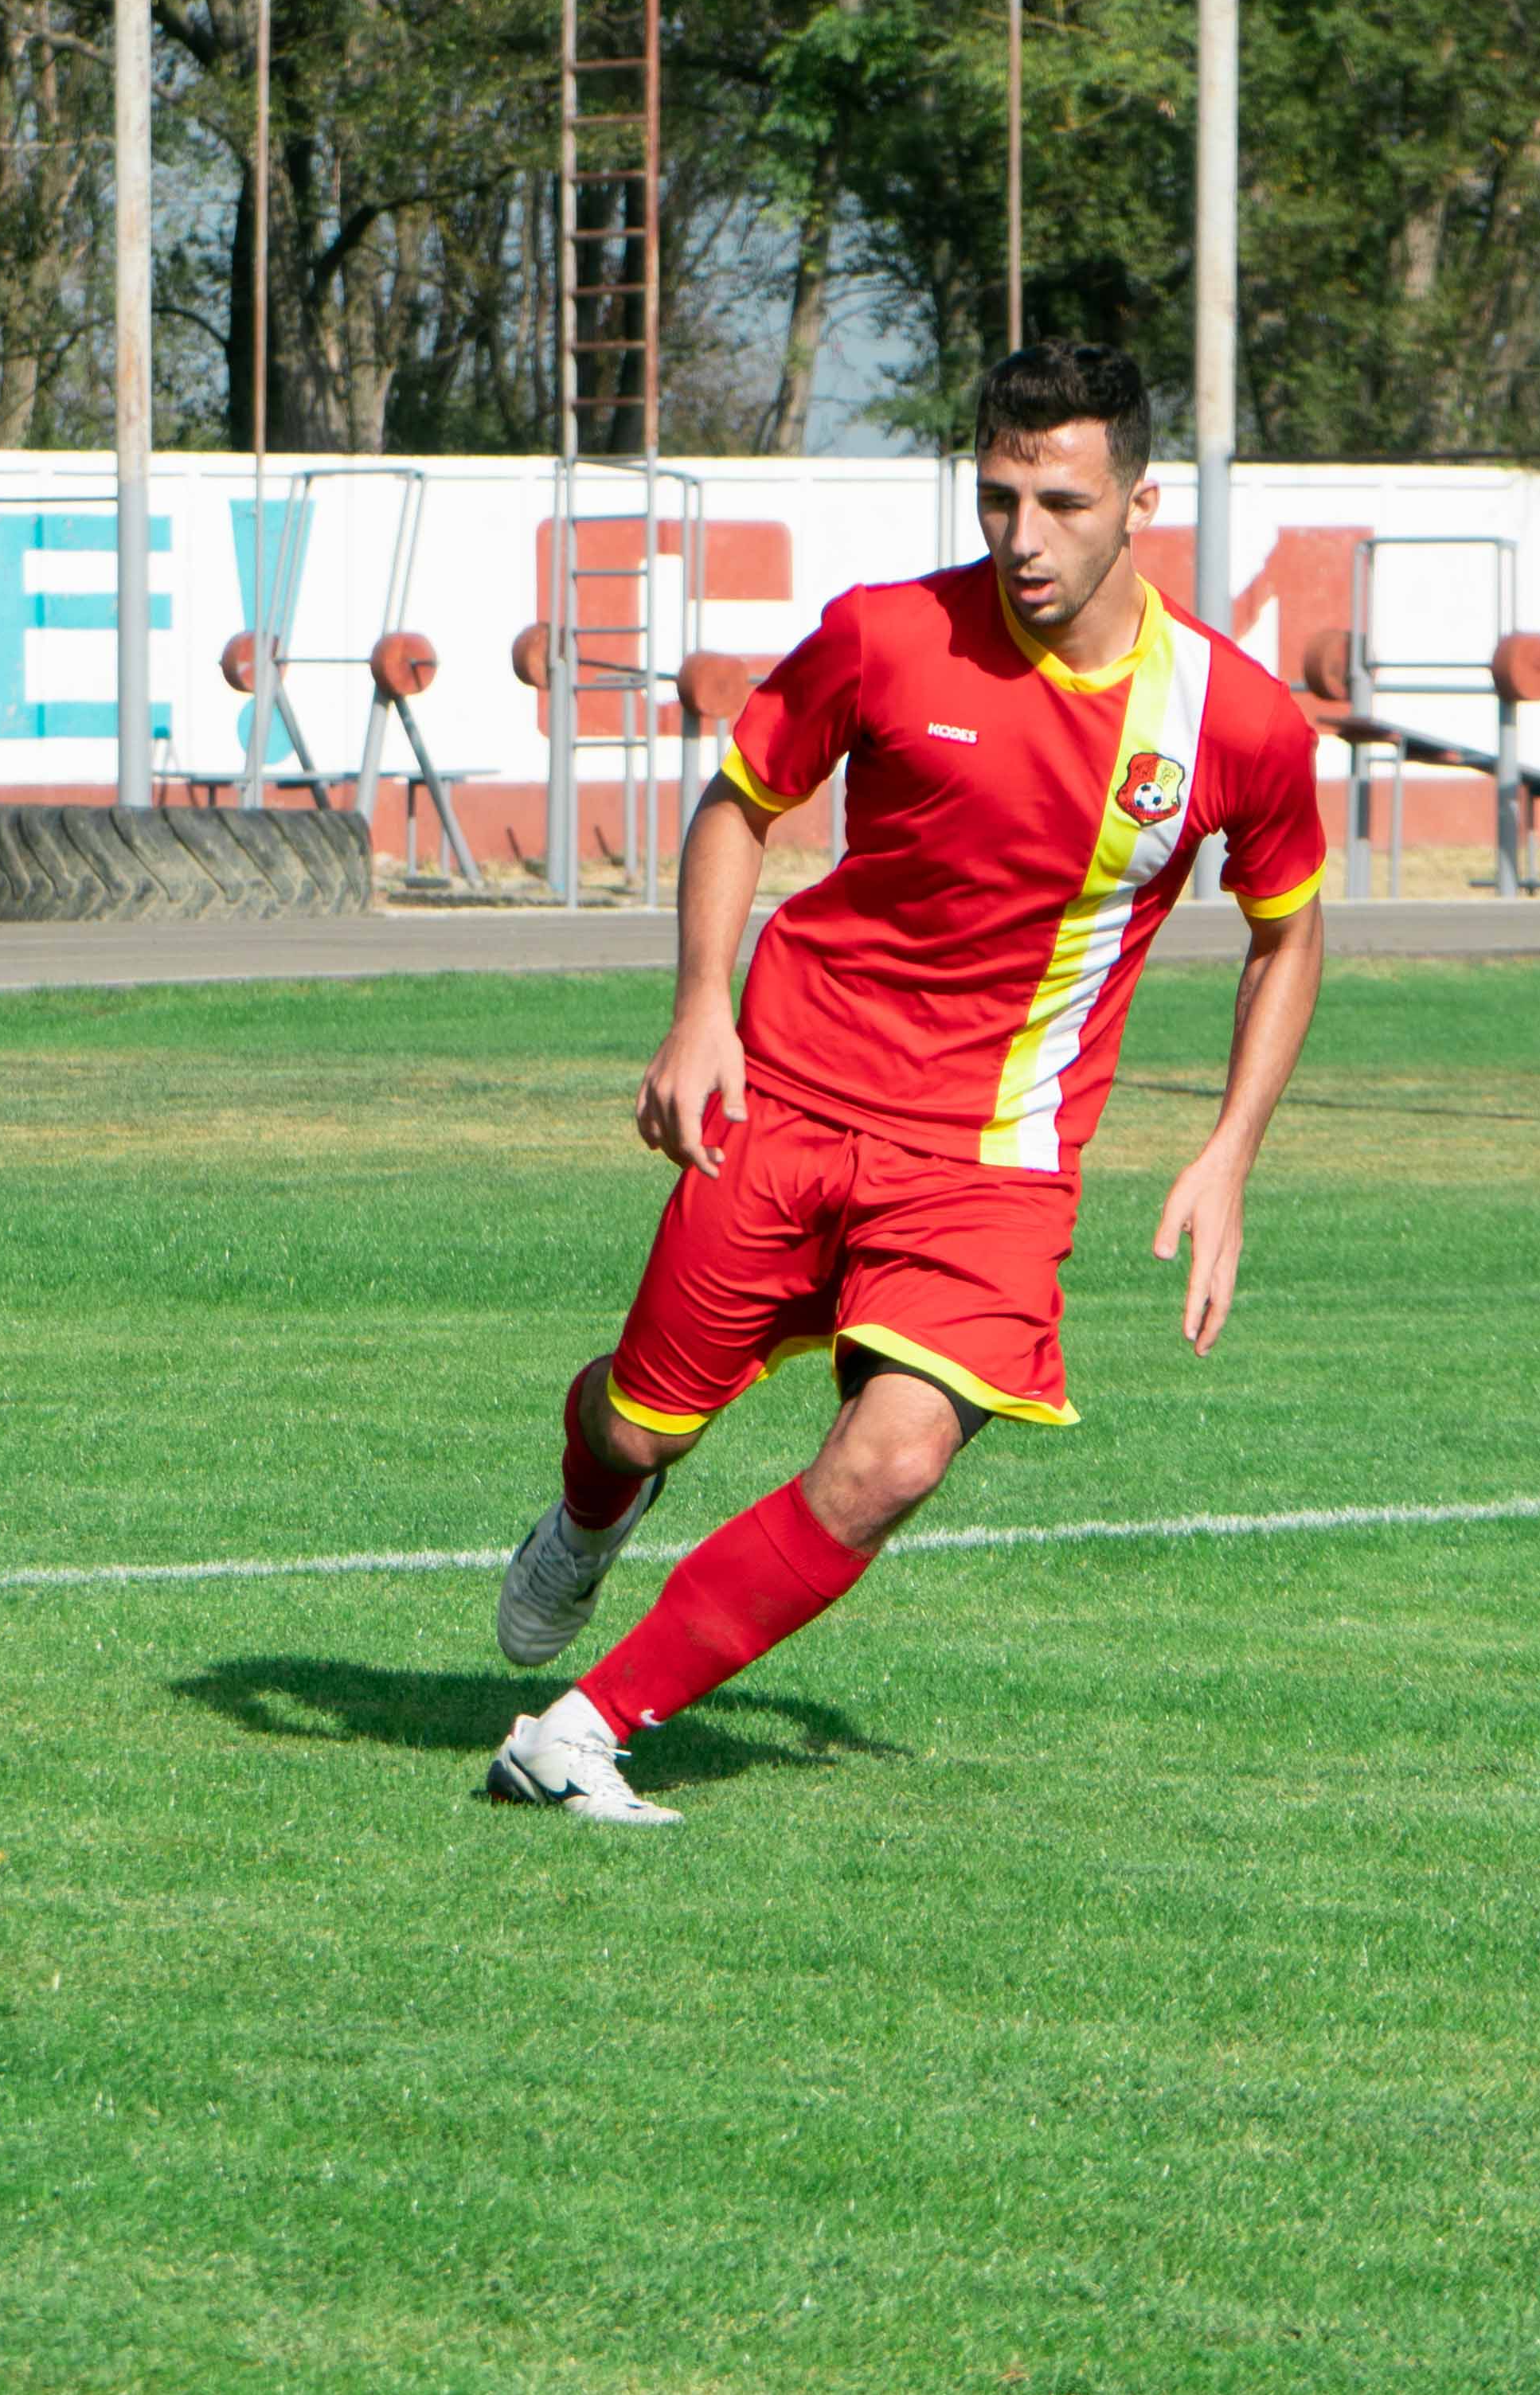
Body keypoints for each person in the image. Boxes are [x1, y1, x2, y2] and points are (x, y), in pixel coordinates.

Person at [483, 342, 1330, 1825]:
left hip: (992, 1160)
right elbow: (740, 801)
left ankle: (582, 1727)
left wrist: (1229, 1153)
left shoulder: (1233, 720)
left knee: (894, 1455)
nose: (1021, 537)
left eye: (1060, 501)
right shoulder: (885, 636)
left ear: (1140, 500)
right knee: (639, 1427)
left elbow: (1288, 930)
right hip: (791, 1098)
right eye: (997, 496)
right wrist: (699, 1014)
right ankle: (588, 1512)